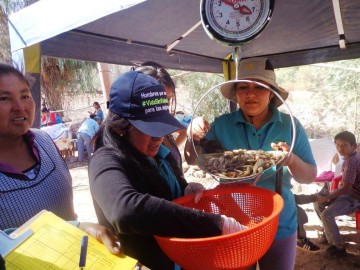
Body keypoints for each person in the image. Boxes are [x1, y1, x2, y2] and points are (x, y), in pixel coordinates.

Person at [88, 70, 247, 270]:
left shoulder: (158, 153)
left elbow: (165, 194)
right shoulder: (105, 160)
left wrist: (185, 189)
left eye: (161, 128)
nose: (159, 137)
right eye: (149, 129)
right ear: (120, 127)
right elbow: (124, 210)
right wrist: (215, 224)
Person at [185, 57, 317, 270]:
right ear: (236, 93)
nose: (250, 94)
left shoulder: (290, 126)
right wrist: (192, 134)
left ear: (271, 92)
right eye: (243, 87)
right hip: (234, 224)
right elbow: (193, 159)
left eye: (259, 87)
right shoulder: (221, 124)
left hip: (279, 224)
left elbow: (309, 176)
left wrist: (291, 159)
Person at [0, 63, 120, 255]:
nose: (20, 107)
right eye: (4, 98)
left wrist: (80, 229)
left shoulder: (44, 141)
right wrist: (77, 227)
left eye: (25, 96)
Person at [314, 131, 360, 257]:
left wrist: (329, 196)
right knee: (318, 203)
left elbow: (346, 188)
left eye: (344, 145)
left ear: (354, 146)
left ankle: (338, 247)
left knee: (327, 214)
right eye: (338, 145)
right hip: (348, 193)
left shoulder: (352, 161)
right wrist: (330, 194)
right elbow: (344, 183)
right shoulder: (348, 158)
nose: (340, 148)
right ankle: (328, 232)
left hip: (355, 197)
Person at [133, 61, 187, 168]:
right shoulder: (135, 134)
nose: (163, 106)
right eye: (157, 99)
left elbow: (184, 131)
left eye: (167, 99)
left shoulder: (166, 126)